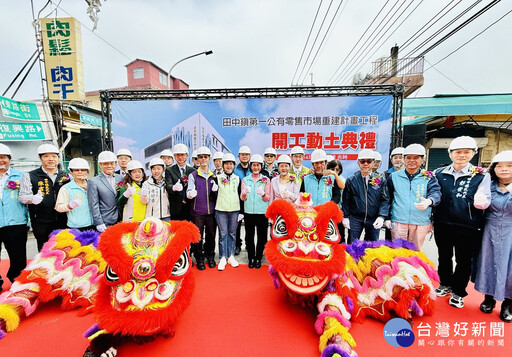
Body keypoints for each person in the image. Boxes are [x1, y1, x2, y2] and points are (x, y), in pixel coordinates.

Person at [433, 136, 486, 309]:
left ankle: (458, 292)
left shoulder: (480, 175)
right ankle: (445, 284)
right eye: (458, 152)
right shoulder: (439, 174)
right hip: (442, 222)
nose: (461, 155)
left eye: (466, 152)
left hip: (468, 225)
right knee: (444, 256)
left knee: (464, 260)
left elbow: (486, 200)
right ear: (450, 154)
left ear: (473, 153)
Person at [473, 150, 512, 322]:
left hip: (510, 232)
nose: (504, 169)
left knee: (510, 268)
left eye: (509, 166)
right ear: (494, 168)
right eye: (500, 166)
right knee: (488, 263)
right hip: (490, 230)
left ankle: (507, 304)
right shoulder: (487, 185)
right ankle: (488, 298)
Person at [386, 144, 441, 250]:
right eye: (408, 157)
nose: (412, 160)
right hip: (399, 220)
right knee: (398, 253)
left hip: (420, 222)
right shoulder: (394, 177)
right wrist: (387, 217)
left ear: (422, 159)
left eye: (416, 157)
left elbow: (436, 193)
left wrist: (429, 201)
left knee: (415, 253)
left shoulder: (429, 177)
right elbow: (388, 198)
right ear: (403, 159)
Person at [19, 143, 68, 250]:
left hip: (63, 221)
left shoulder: (65, 175)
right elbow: (22, 197)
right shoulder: (30, 175)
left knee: (63, 251)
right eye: (46, 156)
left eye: (54, 156)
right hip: (41, 221)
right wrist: (32, 199)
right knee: (44, 253)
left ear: (58, 158)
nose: (51, 159)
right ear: (40, 158)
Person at [342, 149, 388, 243]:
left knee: (372, 246)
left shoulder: (380, 180)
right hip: (355, 218)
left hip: (373, 218)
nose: (365, 164)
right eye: (363, 161)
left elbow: (385, 199)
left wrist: (382, 216)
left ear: (373, 162)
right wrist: (345, 217)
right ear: (358, 163)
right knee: (352, 245)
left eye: (369, 161)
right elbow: (346, 200)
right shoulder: (351, 180)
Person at [0, 143, 28, 291]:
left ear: (9, 159)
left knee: (18, 256)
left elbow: (28, 198)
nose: (1, 160)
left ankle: (17, 281)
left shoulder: (21, 176)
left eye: (3, 157)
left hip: (16, 222)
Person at [186, 146, 218, 270]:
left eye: (206, 157)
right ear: (197, 160)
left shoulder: (213, 175)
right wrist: (190, 193)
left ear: (209, 159)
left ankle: (210, 257)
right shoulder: (193, 175)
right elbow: (189, 190)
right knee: (198, 237)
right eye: (201, 157)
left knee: (211, 235)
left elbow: (216, 195)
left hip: (211, 212)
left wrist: (216, 190)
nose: (203, 159)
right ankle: (199, 258)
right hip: (197, 212)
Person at [240, 154, 270, 269]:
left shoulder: (265, 180)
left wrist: (263, 194)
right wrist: (244, 192)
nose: (256, 167)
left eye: (258, 165)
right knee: (249, 236)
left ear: (261, 166)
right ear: (250, 166)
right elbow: (242, 198)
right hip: (249, 212)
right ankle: (251, 257)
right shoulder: (245, 180)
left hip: (262, 212)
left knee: (262, 236)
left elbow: (268, 197)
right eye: (254, 165)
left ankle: (258, 258)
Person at [215, 153, 241, 271]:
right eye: (226, 164)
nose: (228, 166)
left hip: (234, 210)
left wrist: (242, 212)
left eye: (231, 164)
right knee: (223, 234)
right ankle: (222, 257)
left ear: (233, 165)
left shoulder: (237, 179)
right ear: (223, 165)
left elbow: (241, 194)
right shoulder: (218, 178)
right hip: (221, 210)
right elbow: (213, 194)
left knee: (232, 233)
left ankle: (230, 256)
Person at [87, 151, 124, 233]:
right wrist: (99, 222)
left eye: (112, 163)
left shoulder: (121, 178)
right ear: (100, 165)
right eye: (106, 164)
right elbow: (93, 204)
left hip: (121, 219)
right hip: (105, 221)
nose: (109, 166)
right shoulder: (93, 181)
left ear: (115, 164)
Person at [55, 158, 94, 231]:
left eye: (83, 170)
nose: (80, 172)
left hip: (94, 224)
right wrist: (69, 206)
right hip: (76, 226)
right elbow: (58, 207)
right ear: (71, 172)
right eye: (76, 170)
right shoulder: (66, 188)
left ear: (87, 171)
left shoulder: (93, 185)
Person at [165, 143, 195, 221]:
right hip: (176, 208)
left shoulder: (192, 171)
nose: (180, 157)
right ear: (174, 156)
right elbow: (168, 186)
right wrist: (173, 188)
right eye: (177, 155)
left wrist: (193, 192)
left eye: (182, 155)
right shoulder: (169, 170)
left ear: (187, 155)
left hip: (190, 207)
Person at [233, 145, 251, 255]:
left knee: (249, 225)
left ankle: (248, 244)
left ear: (249, 156)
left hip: (250, 201)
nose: (244, 157)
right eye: (242, 154)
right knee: (237, 225)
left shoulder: (253, 168)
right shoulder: (235, 170)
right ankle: (237, 245)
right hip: (238, 200)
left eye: (246, 155)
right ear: (238, 156)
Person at [326, 159, 346, 243]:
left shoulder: (341, 178)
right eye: (332, 169)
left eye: (337, 169)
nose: (334, 171)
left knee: (340, 233)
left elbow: (342, 186)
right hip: (328, 209)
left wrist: (335, 175)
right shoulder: (326, 178)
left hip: (340, 209)